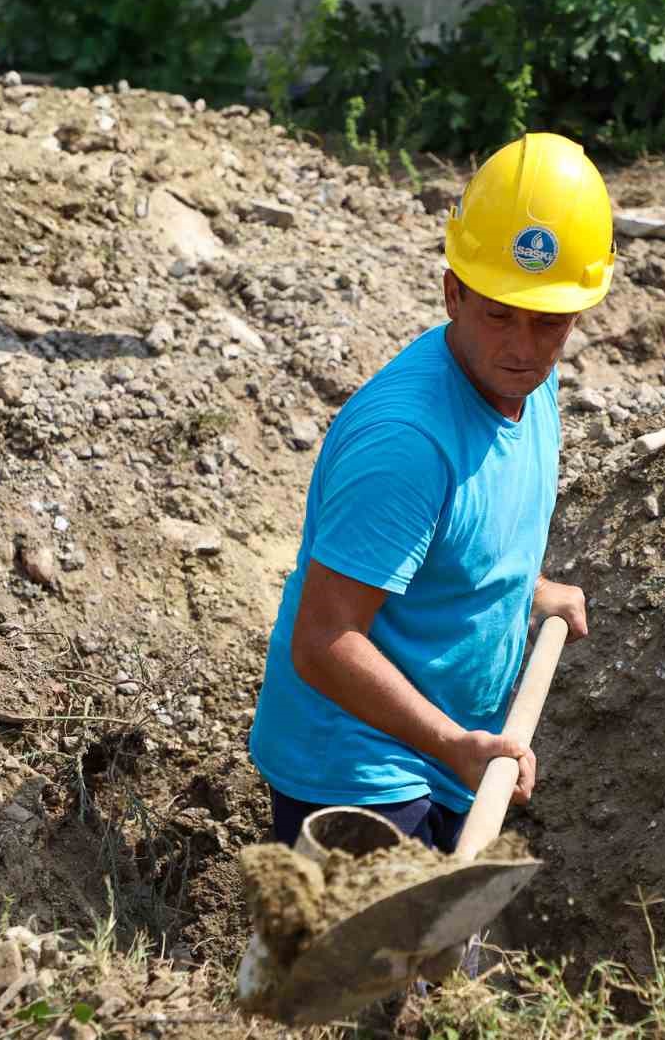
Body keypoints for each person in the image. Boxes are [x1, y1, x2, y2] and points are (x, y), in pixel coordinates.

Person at [247, 132, 616, 854]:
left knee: (440, 960)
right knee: (381, 967)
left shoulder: (526, 386)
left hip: (445, 749)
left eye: (548, 322)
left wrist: (524, 590)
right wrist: (453, 744)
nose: (521, 345)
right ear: (453, 291)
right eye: (499, 314)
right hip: (355, 770)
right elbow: (324, 642)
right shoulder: (406, 445)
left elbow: (462, 534)